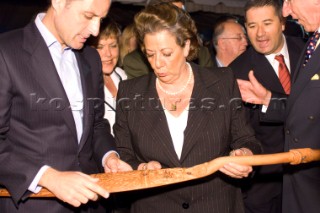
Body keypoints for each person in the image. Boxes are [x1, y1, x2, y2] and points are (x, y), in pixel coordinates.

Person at [114, 3, 262, 213]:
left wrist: (244, 154)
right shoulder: (130, 92)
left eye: (166, 53)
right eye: (150, 54)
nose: (157, 63)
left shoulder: (221, 82)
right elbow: (123, 151)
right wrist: (140, 168)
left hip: (216, 205)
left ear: (186, 46)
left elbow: (247, 139)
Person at [0, 0, 132, 212]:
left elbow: (97, 124)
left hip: (92, 202)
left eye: (101, 19)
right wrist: (47, 176)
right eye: (89, 16)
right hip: (34, 205)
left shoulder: (90, 58)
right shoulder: (6, 52)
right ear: (59, 2)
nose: (95, 30)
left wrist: (109, 156)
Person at [236, 0, 320, 212]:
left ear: (282, 23)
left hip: (311, 177)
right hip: (265, 187)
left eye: (267, 23)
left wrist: (268, 99)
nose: (260, 33)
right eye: (252, 26)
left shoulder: (306, 49)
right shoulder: (236, 72)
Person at [122, 0, 213, 79]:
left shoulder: (202, 54)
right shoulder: (135, 62)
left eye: (182, 13)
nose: (157, 64)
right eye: (150, 54)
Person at [87, 18, 128, 136]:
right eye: (100, 47)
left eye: (113, 45)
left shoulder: (122, 75)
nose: (108, 54)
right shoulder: (84, 84)